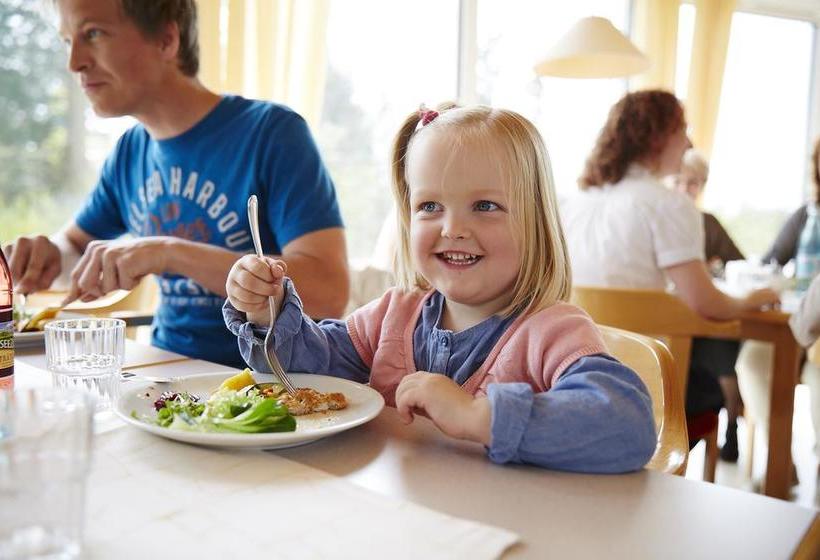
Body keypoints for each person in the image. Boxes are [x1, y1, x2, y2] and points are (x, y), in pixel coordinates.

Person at [223, 104, 657, 473]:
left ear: (536, 224)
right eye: (430, 206)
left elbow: (626, 424)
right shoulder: (393, 314)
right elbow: (305, 373)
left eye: (485, 206)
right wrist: (268, 313)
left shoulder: (553, 332)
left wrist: (477, 416)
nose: (453, 229)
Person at [2, 0, 349, 368]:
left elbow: (329, 291)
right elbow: (74, 245)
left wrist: (168, 252)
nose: (74, 63)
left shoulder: (272, 132)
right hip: (165, 373)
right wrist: (46, 256)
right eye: (67, 40)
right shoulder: (130, 151)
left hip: (266, 380)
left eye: (94, 34)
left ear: (167, 39)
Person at [560, 89, 779, 459]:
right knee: (710, 384)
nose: (689, 142)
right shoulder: (669, 205)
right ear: (658, 137)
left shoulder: (574, 204)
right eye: (683, 131)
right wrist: (754, 299)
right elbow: (707, 304)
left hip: (568, 371)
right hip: (641, 384)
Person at [736, 136, 820, 474]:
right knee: (753, 359)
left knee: (817, 371)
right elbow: (771, 260)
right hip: (797, 321)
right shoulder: (805, 216)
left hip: (815, 333)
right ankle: (782, 463)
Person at [672, 148, 746, 461]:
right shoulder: (662, 220)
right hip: (672, 323)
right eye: (679, 181)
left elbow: (737, 263)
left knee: (720, 341)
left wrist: (714, 268)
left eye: (693, 183)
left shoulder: (708, 223)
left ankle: (731, 425)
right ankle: (729, 420)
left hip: (703, 319)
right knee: (718, 345)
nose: (684, 189)